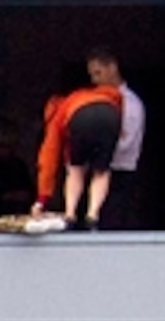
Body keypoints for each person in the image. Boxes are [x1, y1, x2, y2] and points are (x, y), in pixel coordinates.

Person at [34, 62, 125, 231]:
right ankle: (93, 215)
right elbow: (120, 107)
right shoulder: (109, 94)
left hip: (80, 118)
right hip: (110, 114)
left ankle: (70, 215)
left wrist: (42, 199)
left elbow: (49, 157)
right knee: (102, 170)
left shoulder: (61, 108)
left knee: (75, 169)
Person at [85, 45, 149, 230]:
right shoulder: (97, 100)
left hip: (120, 178)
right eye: (92, 75)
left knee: (113, 227)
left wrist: (96, 150)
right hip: (99, 173)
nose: (95, 80)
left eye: (98, 73)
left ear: (112, 67)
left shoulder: (130, 104)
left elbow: (125, 144)